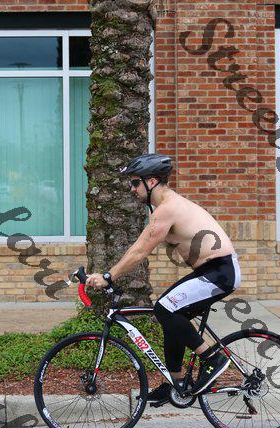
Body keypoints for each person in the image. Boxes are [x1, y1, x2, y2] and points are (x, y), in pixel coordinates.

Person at [86, 153, 241, 403]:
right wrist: (111, 273)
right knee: (170, 315)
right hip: (211, 270)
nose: (132, 188)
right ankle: (175, 383)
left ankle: (212, 358)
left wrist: (108, 276)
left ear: (152, 182)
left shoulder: (167, 209)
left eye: (135, 182)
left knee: (164, 308)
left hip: (220, 272)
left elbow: (139, 252)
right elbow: (138, 246)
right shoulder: (163, 208)